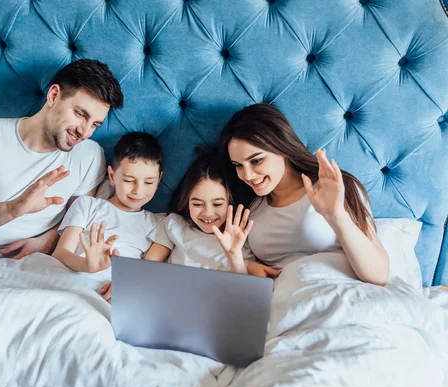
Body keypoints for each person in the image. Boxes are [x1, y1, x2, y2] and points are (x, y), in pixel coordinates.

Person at [0, 59, 123, 259]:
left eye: (95, 124)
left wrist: (47, 242)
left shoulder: (89, 155)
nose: (85, 132)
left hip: (32, 259)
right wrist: (14, 209)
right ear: (54, 95)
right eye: (80, 114)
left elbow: (77, 219)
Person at [219, 103, 389, 285]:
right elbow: (244, 287)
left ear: (281, 148)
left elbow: (378, 275)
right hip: (286, 302)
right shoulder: (247, 210)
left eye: (257, 160)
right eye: (238, 165)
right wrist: (249, 267)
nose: (247, 175)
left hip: (340, 295)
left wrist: (336, 216)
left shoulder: (332, 188)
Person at [100, 150, 261, 302]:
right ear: (187, 202)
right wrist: (126, 283)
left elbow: (243, 297)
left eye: (217, 204)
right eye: (197, 204)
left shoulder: (239, 242)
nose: (207, 213)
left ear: (229, 202)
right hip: (167, 303)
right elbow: (147, 266)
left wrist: (234, 254)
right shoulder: (174, 225)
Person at [52, 132, 163, 283]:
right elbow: (60, 253)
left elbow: (149, 273)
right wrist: (87, 265)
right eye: (129, 180)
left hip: (115, 288)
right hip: (74, 275)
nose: (138, 190)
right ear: (112, 176)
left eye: (149, 182)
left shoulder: (158, 224)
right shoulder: (87, 205)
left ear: (159, 180)